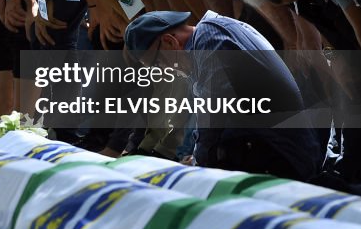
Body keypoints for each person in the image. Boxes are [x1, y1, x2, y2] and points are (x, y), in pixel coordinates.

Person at [124, 10, 322, 180]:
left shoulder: (209, 38)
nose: (164, 71)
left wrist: (197, 166)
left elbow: (214, 118)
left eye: (157, 64)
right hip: (275, 150)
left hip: (284, 156)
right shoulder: (205, 41)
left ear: (169, 42)